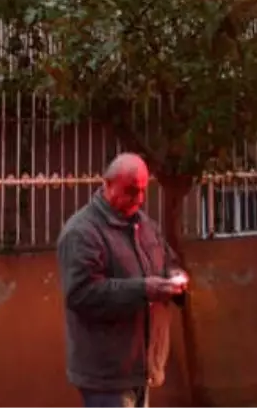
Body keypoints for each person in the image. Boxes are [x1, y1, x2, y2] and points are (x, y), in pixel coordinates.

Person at [57, 153, 187, 408]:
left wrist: (174, 276)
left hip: (141, 367)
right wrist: (144, 289)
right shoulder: (82, 232)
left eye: (142, 191)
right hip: (106, 373)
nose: (138, 199)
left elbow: (167, 259)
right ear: (107, 184)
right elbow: (81, 294)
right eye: (130, 191)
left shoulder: (144, 225)